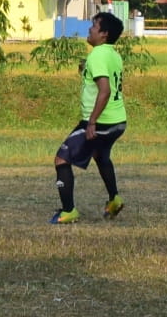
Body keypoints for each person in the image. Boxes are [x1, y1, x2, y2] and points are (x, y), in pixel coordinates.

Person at [50, 12, 127, 225]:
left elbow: (105, 90)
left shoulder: (98, 56)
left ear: (104, 34)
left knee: (61, 160)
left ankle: (68, 211)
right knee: (101, 157)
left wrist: (92, 122)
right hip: (118, 121)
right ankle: (114, 199)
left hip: (101, 122)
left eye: (94, 26)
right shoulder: (113, 54)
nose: (90, 29)